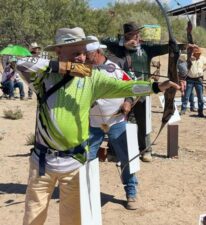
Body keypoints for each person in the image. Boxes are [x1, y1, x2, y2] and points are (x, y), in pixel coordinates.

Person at [16, 27, 180, 225]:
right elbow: (20, 62)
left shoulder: (91, 78)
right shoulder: (43, 78)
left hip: (74, 163)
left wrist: (155, 87)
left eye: (84, 53)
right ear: (58, 51)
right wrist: (64, 67)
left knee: (73, 220)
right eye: (76, 53)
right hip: (42, 163)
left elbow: (126, 86)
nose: (82, 58)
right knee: (33, 218)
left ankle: (131, 190)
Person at [102, 21, 176, 162]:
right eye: (130, 34)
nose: (134, 37)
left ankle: (145, 150)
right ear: (125, 35)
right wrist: (122, 45)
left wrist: (177, 45)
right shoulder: (118, 48)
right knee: (118, 121)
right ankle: (114, 150)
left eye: (136, 34)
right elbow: (102, 41)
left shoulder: (146, 48)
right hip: (122, 90)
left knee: (143, 122)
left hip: (142, 90)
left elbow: (167, 47)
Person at [86, 36, 138, 210]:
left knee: (126, 157)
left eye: (88, 53)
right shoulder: (84, 69)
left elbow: (131, 87)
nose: (85, 57)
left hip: (116, 121)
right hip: (93, 124)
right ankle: (87, 193)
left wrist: (128, 102)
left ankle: (131, 192)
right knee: (87, 158)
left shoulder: (114, 68)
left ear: (98, 52)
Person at [181, 46, 206, 118]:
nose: (198, 55)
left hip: (199, 79)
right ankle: (183, 109)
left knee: (200, 97)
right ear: (193, 53)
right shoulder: (188, 57)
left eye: (199, 53)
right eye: (196, 53)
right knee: (186, 96)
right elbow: (180, 56)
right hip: (190, 79)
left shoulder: (202, 58)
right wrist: (189, 56)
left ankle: (200, 111)